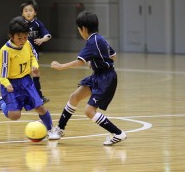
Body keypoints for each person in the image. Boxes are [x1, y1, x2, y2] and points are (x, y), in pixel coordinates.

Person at [48, 11, 127, 146]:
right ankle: (59, 129)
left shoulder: (92, 42)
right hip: (98, 75)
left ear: (83, 29)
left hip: (105, 79)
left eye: (79, 29)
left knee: (89, 111)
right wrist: (96, 62)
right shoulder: (100, 39)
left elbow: (79, 62)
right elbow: (113, 55)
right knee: (74, 97)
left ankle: (118, 133)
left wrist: (61, 66)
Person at [0, 16, 53, 135]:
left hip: (26, 81)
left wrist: (34, 65)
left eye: (25, 37)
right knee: (15, 116)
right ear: (11, 36)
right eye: (19, 38)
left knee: (40, 107)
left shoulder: (27, 44)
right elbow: (2, 71)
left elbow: (32, 57)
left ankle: (51, 130)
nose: (23, 40)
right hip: (11, 83)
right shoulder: (5, 51)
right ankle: (1, 103)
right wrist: (6, 83)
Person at [20, 0, 51, 104]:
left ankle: (38, 96)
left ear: (35, 12)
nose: (28, 13)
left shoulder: (37, 24)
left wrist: (42, 39)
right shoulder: (19, 23)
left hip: (33, 55)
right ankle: (24, 97)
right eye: (26, 10)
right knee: (22, 75)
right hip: (20, 54)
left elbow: (47, 35)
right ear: (22, 13)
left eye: (30, 10)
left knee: (36, 74)